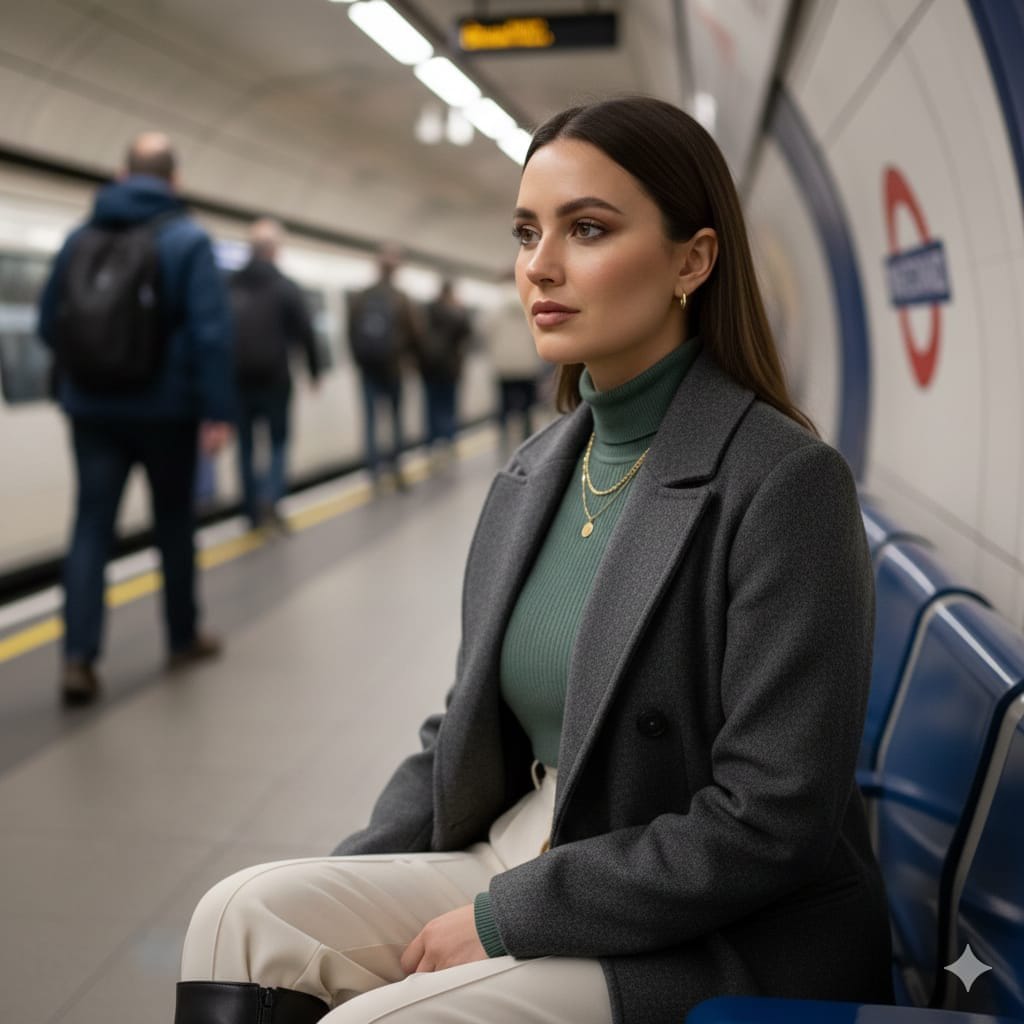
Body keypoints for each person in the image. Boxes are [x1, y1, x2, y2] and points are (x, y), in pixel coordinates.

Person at [174, 97, 893, 1024]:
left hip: (707, 921)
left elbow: (771, 820)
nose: (539, 267)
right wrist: (354, 869)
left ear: (693, 260)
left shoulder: (785, 483)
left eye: (587, 229)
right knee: (241, 915)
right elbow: (461, 730)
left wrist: (507, 916)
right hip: (525, 843)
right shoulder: (537, 470)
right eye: (525, 232)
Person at [38, 132, 234, 706]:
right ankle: (180, 636)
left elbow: (50, 323)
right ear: (175, 181)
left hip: (92, 408)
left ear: (122, 175)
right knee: (173, 524)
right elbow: (211, 334)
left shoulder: (79, 236)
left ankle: (78, 658)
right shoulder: (188, 239)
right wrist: (216, 410)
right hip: (166, 410)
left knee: (90, 528)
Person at [230, 218, 321, 531]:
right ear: (275, 250)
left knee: (245, 447)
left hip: (238, 381)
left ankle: (251, 513)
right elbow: (306, 332)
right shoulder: (285, 286)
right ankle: (272, 498)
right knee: (278, 442)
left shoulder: (230, 283)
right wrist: (314, 371)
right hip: (275, 380)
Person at [346, 245, 421, 491]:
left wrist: (359, 361)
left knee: (370, 422)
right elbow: (415, 335)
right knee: (396, 420)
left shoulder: (361, 296)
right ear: (395, 271)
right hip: (394, 369)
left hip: (368, 369)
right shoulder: (401, 298)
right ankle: (397, 471)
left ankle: (373, 475)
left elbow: (350, 332)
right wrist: (411, 360)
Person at [483, 269, 545, 451]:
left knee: (503, 405)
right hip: (528, 365)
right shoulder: (530, 301)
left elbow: (485, 333)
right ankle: (528, 440)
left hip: (502, 366)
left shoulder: (493, 307)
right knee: (527, 407)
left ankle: (502, 439)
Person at [417, 279, 471, 458]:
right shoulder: (455, 313)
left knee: (431, 409)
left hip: (429, 370)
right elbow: (467, 333)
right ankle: (449, 444)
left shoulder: (427, 311)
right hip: (450, 370)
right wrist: (460, 310)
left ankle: (430, 446)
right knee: (449, 409)